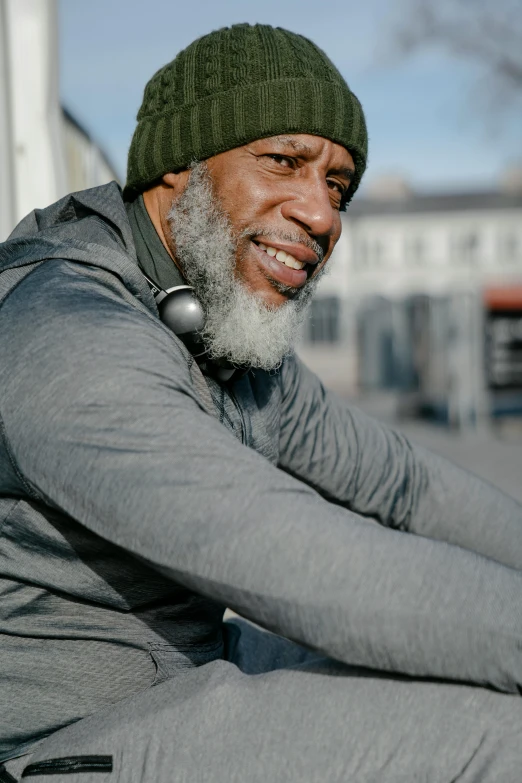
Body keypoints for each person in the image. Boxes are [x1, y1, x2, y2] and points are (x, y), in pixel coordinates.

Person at [1, 22, 522, 783]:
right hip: (58, 744)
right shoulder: (68, 337)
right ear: (178, 167)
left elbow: (402, 486)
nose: (322, 216)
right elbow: (306, 567)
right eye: (285, 161)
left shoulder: (217, 333)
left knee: (460, 663)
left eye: (338, 185)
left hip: (186, 682)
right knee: (500, 730)